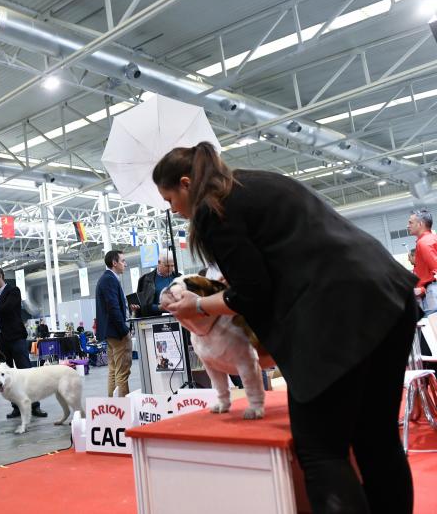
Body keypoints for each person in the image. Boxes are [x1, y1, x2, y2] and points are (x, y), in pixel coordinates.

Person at [154, 142, 418, 513]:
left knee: (321, 450)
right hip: (389, 294)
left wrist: (198, 304)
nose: (173, 209)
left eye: (169, 199)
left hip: (336, 314)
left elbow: (252, 293)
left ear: (185, 183)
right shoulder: (257, 182)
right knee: (376, 437)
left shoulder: (214, 209)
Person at [0, 267, 47, 419]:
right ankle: (16, 407)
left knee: (26, 372)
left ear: (0, 276)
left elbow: (7, 308)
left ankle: (35, 406)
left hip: (16, 338)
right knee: (7, 376)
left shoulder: (13, 291)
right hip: (2, 340)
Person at [95, 250, 132, 397]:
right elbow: (113, 307)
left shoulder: (108, 279)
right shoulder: (109, 279)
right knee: (122, 371)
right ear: (114, 263)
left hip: (110, 333)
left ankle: (114, 408)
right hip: (117, 333)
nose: (125, 264)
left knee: (113, 370)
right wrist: (124, 330)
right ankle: (124, 409)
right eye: (123, 261)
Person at [408, 209, 437, 316]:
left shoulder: (424, 242)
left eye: (411, 222)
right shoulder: (432, 239)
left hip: (433, 292)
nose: (408, 226)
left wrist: (424, 287)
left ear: (420, 224)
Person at [134, 250, 177, 317]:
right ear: (158, 263)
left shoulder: (179, 278)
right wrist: (158, 307)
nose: (170, 269)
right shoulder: (145, 280)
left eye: (172, 265)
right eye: (167, 266)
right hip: (153, 320)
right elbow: (141, 305)